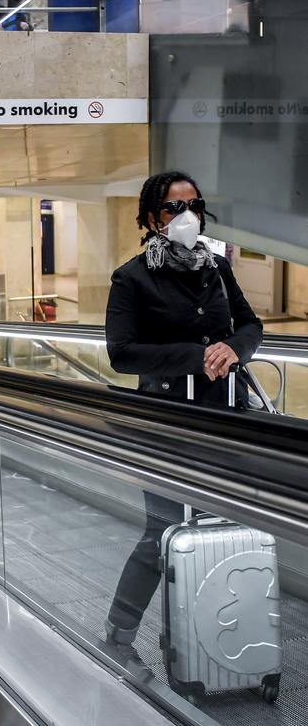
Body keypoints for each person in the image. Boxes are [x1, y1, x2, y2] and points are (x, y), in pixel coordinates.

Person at [103, 171, 263, 651]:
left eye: (194, 205)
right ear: (152, 218)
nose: (187, 215)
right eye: (174, 207)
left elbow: (251, 324)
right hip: (166, 422)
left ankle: (209, 633)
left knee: (222, 527)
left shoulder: (216, 266)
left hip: (223, 418)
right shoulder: (131, 278)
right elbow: (122, 353)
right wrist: (197, 356)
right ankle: (121, 628)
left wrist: (234, 349)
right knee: (164, 530)